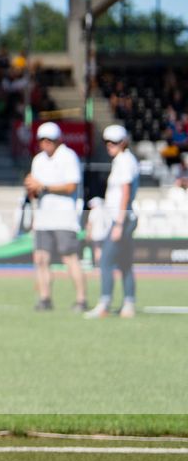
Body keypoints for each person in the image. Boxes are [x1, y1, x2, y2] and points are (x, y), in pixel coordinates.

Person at [25, 120, 86, 312]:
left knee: (69, 258)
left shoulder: (68, 156)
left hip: (64, 217)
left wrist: (43, 186)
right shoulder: (38, 160)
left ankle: (81, 299)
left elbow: (71, 186)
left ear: (58, 140)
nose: (45, 144)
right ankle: (45, 298)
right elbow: (35, 191)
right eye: (42, 140)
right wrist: (32, 189)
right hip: (43, 217)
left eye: (49, 140)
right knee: (41, 258)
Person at [85, 123, 138, 319]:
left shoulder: (124, 161)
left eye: (114, 142)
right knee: (124, 263)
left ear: (123, 142)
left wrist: (118, 224)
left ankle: (105, 304)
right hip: (121, 218)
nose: (110, 145)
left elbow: (125, 193)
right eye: (107, 142)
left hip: (121, 219)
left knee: (106, 261)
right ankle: (128, 304)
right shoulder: (122, 160)